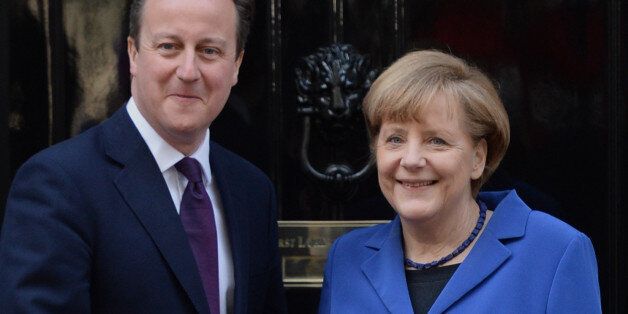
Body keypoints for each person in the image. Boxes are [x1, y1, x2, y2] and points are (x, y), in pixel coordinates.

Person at [0, 0, 287, 313]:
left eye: (209, 50)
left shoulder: (253, 191)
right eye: (169, 46)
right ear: (133, 54)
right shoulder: (58, 185)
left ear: (236, 65)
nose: (188, 71)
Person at [318, 50, 601, 313]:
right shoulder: (346, 259)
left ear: (478, 158)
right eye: (395, 139)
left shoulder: (555, 251)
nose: (411, 159)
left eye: (436, 141)